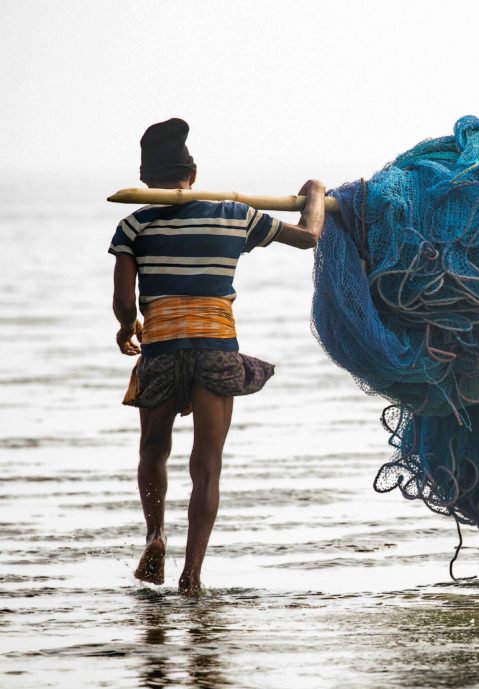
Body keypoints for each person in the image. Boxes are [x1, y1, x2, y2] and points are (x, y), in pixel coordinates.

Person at [110, 118, 327, 594]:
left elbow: (125, 303)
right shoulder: (234, 215)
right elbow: (309, 236)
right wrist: (314, 191)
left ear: (145, 179)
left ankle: (155, 535)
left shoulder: (133, 225)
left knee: (153, 450)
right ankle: (191, 577)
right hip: (215, 349)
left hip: (162, 350)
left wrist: (127, 328)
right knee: (206, 466)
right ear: (193, 173)